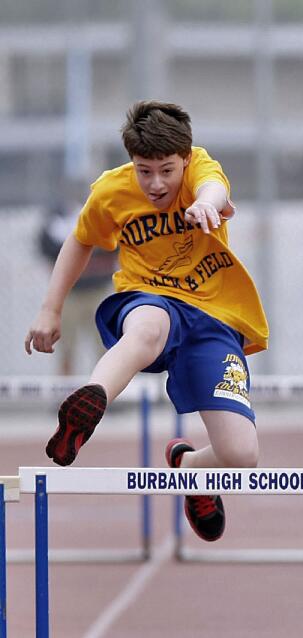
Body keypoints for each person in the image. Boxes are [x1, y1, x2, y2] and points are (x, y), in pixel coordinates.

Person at [24, 100, 269, 542]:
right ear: (131, 163)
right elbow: (79, 241)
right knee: (149, 328)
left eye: (166, 171)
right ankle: (91, 402)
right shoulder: (111, 191)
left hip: (213, 315)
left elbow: (214, 187)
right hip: (147, 296)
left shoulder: (201, 169)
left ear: (185, 159)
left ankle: (190, 466)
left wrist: (205, 206)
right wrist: (50, 308)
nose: (155, 184)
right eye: (144, 170)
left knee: (241, 453)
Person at [36, 179, 119, 376]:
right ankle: (65, 394)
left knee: (104, 346)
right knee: (65, 347)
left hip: (99, 291)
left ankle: (104, 392)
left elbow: (115, 245)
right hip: (71, 293)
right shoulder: (55, 218)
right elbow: (47, 248)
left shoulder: (103, 213)